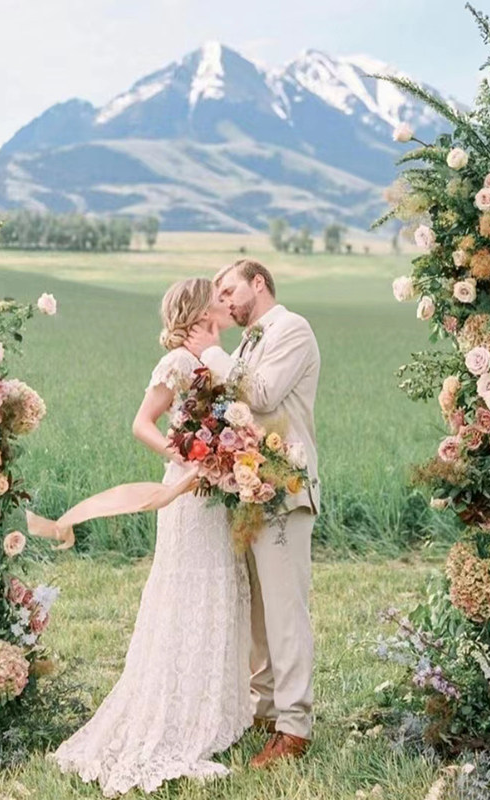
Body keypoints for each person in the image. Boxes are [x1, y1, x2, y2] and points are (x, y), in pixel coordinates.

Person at [52, 278, 252, 796]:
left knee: (218, 590)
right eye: (219, 298)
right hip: (188, 494)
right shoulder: (181, 364)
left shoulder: (216, 357)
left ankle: (214, 708)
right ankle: (175, 713)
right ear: (199, 310)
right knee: (187, 592)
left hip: (217, 495)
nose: (228, 304)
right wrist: (188, 460)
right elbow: (142, 423)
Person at [185, 258, 321, 769]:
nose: (223, 301)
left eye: (228, 290)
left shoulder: (292, 329)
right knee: (258, 612)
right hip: (249, 490)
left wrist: (213, 355)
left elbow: (261, 393)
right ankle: (264, 713)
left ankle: (295, 728)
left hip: (285, 488)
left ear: (257, 283)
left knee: (286, 613)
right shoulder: (246, 342)